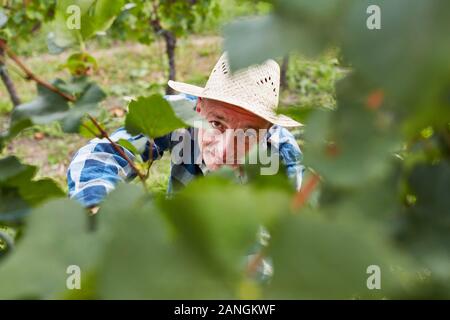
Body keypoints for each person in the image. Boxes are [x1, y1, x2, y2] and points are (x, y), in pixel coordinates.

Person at [68, 52, 304, 208]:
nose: (224, 152)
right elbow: (98, 155)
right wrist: (95, 207)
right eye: (217, 124)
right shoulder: (176, 114)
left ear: (268, 130)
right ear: (199, 108)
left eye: (248, 134)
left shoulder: (283, 161)